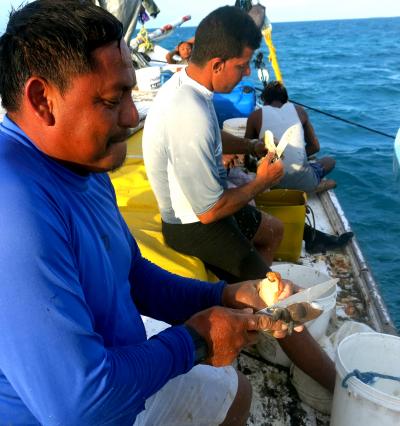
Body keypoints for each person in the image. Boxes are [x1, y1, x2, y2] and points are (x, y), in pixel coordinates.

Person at [0, 1, 293, 424]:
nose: (132, 115)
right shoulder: (15, 206)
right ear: (42, 99)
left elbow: (132, 273)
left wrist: (223, 295)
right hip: (76, 408)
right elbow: (81, 406)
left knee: (233, 392)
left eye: (130, 92)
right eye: (110, 99)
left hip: (116, 362)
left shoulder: (84, 163)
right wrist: (199, 339)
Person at [143, 5, 336, 394]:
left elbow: (216, 134)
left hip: (204, 209)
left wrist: (249, 144)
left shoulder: (190, 88)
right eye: (242, 65)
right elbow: (211, 210)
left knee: (273, 230)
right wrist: (261, 182)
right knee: (279, 300)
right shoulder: (188, 114)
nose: (247, 73)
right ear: (217, 64)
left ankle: (251, 317)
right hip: (193, 226)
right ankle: (341, 386)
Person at [246, 80, 337, 193]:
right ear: (285, 99)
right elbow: (315, 147)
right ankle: (318, 186)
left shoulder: (255, 116)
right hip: (305, 183)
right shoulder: (300, 111)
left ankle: (318, 185)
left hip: (269, 185)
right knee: (330, 161)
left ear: (264, 100)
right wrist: (297, 156)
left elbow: (247, 154)